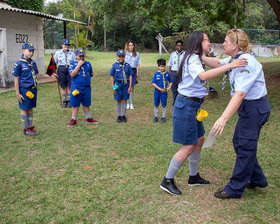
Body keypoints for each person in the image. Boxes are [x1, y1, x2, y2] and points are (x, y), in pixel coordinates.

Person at [160, 31, 248, 196]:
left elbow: (214, 65)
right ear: (200, 42)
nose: (210, 43)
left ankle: (193, 177)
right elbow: (203, 75)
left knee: (199, 140)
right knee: (188, 146)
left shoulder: (198, 58)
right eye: (207, 40)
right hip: (186, 105)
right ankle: (167, 180)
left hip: (194, 106)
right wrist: (230, 66)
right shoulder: (193, 59)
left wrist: (228, 63)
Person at [202, 29, 271, 199]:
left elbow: (240, 94)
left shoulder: (245, 62)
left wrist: (223, 118)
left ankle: (234, 188)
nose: (223, 43)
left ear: (235, 45)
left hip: (255, 108)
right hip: (250, 109)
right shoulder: (235, 58)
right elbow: (219, 64)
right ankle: (257, 178)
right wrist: (198, 56)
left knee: (245, 145)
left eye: (226, 41)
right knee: (240, 142)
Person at [67, 48, 99, 127]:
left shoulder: (88, 64)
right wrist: (78, 65)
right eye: (79, 56)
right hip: (76, 87)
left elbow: (90, 74)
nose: (81, 58)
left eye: (82, 56)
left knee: (86, 103)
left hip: (86, 87)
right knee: (75, 104)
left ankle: (88, 118)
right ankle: (73, 119)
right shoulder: (72, 64)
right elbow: (72, 74)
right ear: (76, 56)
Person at [12, 42, 39, 136]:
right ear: (23, 50)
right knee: (24, 108)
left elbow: (36, 74)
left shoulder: (33, 63)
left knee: (30, 108)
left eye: (32, 51)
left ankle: (31, 127)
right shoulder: (19, 63)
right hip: (24, 90)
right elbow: (16, 78)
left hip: (33, 89)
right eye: (29, 51)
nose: (31, 53)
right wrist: (17, 93)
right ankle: (25, 128)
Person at [110, 50, 133, 123]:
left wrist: (130, 86)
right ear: (117, 57)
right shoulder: (114, 65)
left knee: (124, 99)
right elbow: (111, 76)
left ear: (124, 57)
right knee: (118, 100)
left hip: (125, 84)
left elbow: (130, 75)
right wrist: (113, 86)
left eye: (122, 56)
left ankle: (123, 115)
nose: (121, 58)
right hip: (118, 85)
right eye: (119, 56)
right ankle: (118, 115)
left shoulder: (127, 65)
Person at [54, 39, 76, 108]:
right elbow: (54, 63)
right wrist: (54, 72)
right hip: (61, 69)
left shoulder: (72, 53)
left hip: (70, 69)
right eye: (65, 45)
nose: (66, 46)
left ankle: (69, 101)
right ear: (62, 45)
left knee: (69, 86)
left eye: (68, 45)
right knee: (63, 86)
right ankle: (64, 101)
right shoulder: (58, 53)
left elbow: (74, 63)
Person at [151, 59, 173, 123]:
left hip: (164, 93)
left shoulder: (167, 74)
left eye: (163, 66)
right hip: (157, 92)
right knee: (156, 104)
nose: (162, 68)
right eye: (161, 66)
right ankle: (156, 117)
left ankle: (163, 117)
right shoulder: (156, 74)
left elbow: (171, 82)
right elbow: (153, 83)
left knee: (164, 104)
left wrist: (168, 88)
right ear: (158, 66)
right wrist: (159, 89)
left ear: (165, 66)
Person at [124, 40, 142, 109]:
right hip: (126, 71)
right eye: (130, 45)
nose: (131, 47)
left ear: (134, 46)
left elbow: (138, 65)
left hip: (133, 71)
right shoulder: (125, 53)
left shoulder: (137, 54)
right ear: (127, 46)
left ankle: (131, 103)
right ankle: (127, 103)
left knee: (132, 88)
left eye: (132, 45)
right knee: (127, 87)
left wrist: (137, 74)